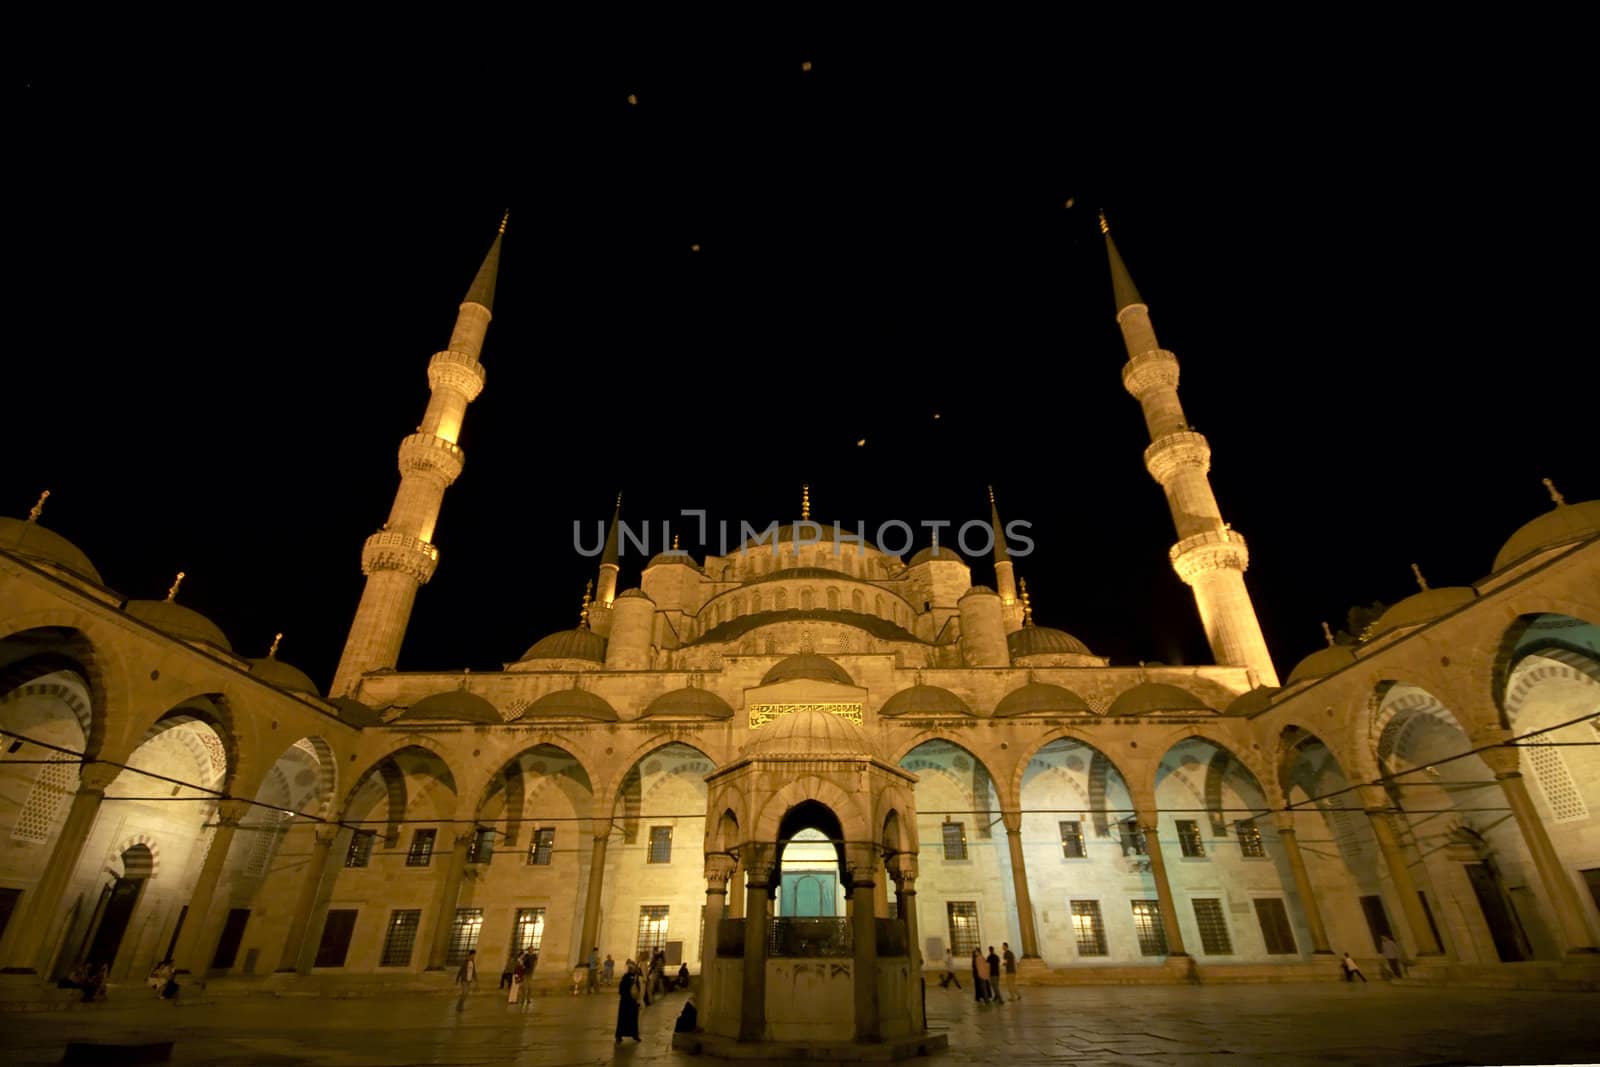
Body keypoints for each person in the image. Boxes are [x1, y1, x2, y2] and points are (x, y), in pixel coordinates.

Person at [615, 959, 643, 1043]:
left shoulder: (627, 977)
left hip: (625, 1001)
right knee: (632, 1019)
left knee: (624, 1019)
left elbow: (621, 990)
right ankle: (634, 1035)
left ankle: (620, 1036)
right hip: (631, 1001)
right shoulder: (633, 978)